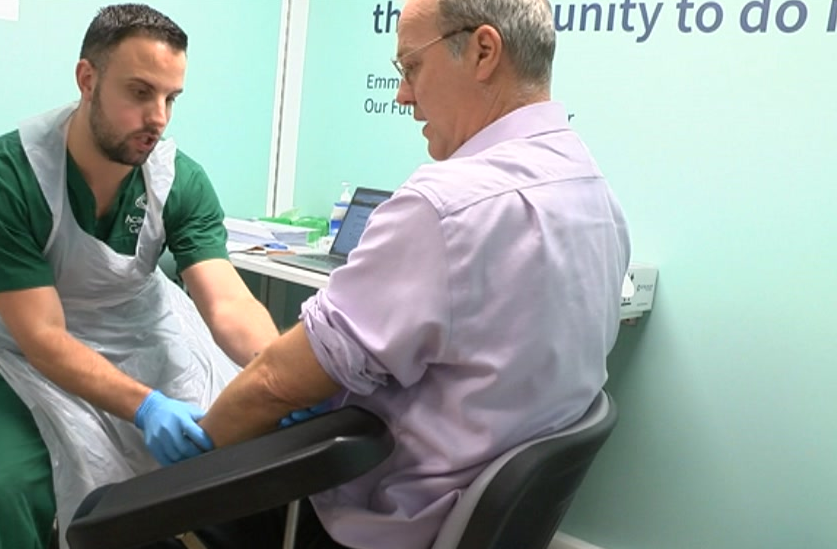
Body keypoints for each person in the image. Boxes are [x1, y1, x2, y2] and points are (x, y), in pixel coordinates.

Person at [192, 0, 631, 548]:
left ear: (483, 51)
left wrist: (191, 456)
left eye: (411, 67)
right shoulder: (594, 192)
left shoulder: (446, 208)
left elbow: (279, 382)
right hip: (490, 520)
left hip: (386, 524)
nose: (403, 94)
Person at [0, 4, 279, 549]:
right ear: (88, 79)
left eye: (171, 98)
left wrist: (278, 374)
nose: (159, 117)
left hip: (145, 335)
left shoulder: (179, 180)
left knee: (248, 462)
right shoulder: (3, 177)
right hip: (25, 355)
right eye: (140, 92)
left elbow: (226, 304)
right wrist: (146, 405)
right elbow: (44, 339)